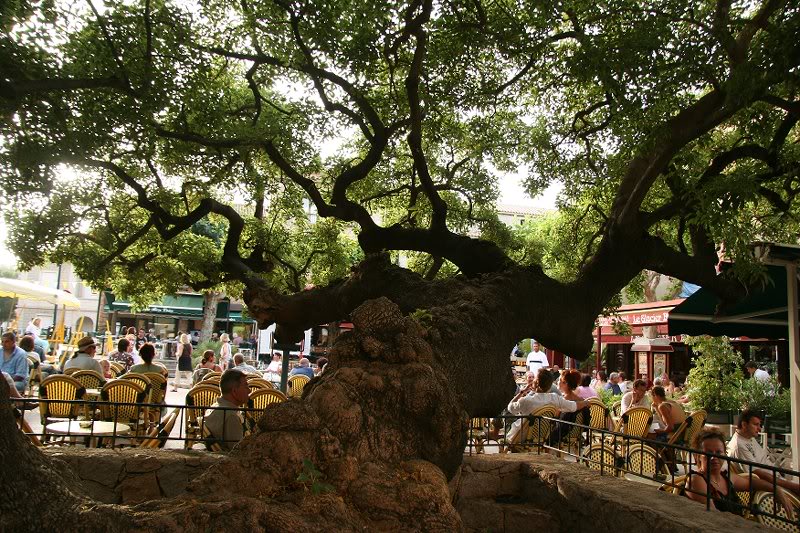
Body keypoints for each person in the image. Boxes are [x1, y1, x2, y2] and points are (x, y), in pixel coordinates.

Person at [687, 427, 794, 518]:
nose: (714, 457)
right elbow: (715, 518)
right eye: (708, 453)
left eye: (719, 452)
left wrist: (776, 489)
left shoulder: (725, 477)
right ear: (698, 456)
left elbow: (752, 482)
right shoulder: (696, 480)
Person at [727, 410, 800, 495]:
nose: (759, 428)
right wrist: (792, 486)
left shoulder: (749, 438)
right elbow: (758, 474)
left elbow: (763, 462)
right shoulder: (739, 446)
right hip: (769, 488)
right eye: (756, 424)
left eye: (759, 425)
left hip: (776, 478)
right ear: (744, 425)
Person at [506, 368, 587, 443]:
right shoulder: (555, 398)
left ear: (535, 382)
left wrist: (522, 392)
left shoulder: (526, 400)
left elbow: (510, 408)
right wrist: (586, 402)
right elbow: (573, 406)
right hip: (543, 438)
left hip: (520, 438)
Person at [203, 369, 249, 451]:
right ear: (234, 391)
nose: (249, 390)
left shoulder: (216, 406)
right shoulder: (231, 416)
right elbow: (239, 450)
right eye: (246, 386)